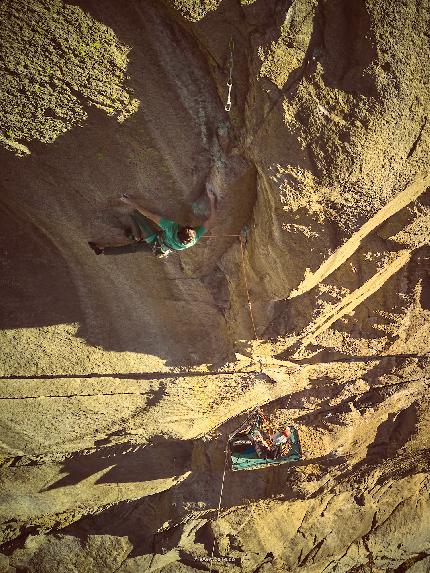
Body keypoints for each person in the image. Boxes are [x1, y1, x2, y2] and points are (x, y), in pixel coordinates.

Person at [88, 186, 217, 257]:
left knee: (135, 214)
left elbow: (150, 215)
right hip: (160, 250)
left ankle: (136, 236)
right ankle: (103, 250)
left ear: (181, 229)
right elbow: (211, 222)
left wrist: (131, 202)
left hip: (155, 240)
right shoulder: (192, 241)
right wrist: (212, 200)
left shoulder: (172, 228)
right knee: (132, 249)